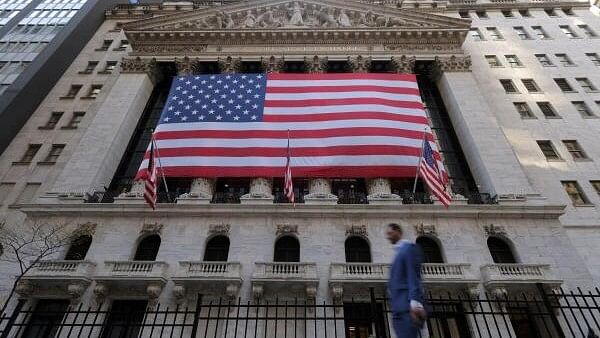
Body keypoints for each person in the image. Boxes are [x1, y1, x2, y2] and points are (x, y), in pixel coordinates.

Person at [386, 223, 426, 338]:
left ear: (398, 231)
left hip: (407, 308)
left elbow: (413, 276)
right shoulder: (399, 252)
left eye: (390, 233)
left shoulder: (408, 248)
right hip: (397, 308)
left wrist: (415, 303)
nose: (388, 237)